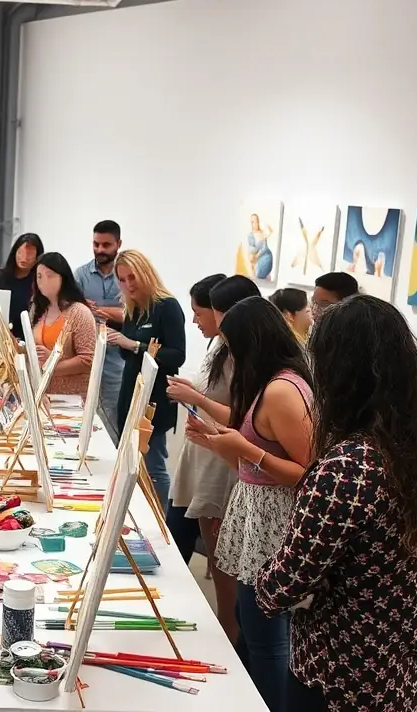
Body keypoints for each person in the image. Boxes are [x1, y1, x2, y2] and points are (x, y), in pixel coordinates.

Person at [257, 296, 417, 712]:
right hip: (405, 673)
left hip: (342, 678)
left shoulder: (345, 469)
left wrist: (269, 573)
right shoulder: (414, 449)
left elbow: (279, 588)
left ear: (339, 374)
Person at [185, 297, 313, 712]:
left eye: (234, 344)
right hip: (256, 520)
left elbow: (311, 474)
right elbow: (251, 460)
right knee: (255, 626)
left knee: (267, 637)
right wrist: (217, 443)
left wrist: (246, 450)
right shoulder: (265, 382)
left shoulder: (282, 389)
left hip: (273, 526)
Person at [165, 274, 260, 647]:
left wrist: (198, 399)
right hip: (204, 456)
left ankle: (231, 640)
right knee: (205, 544)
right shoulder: (220, 348)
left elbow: (240, 415)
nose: (196, 321)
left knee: (224, 561)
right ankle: (226, 634)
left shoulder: (244, 356)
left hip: (223, 464)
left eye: (201, 313)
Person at [106, 249, 186, 508]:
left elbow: (177, 355)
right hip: (130, 392)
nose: (129, 284)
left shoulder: (167, 307)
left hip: (156, 399)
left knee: (153, 465)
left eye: (132, 277)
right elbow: (127, 352)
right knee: (129, 461)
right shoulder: (131, 309)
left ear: (145, 273)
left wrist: (137, 345)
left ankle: (163, 521)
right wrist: (124, 344)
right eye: (122, 279)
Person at [75, 220, 125, 444]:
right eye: (96, 244)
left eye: (106, 245)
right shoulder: (80, 276)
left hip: (118, 361)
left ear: (118, 244)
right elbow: (74, 312)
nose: (100, 250)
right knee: (84, 416)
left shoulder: (126, 276)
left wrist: (98, 310)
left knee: (113, 418)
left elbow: (132, 314)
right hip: (86, 358)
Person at [29, 253, 97, 397]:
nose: (43, 281)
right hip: (42, 394)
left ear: (63, 278)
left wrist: (52, 363)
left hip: (70, 398)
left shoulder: (79, 312)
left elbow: (87, 360)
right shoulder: (37, 308)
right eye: (39, 276)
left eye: (50, 276)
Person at [0, 233, 44, 340]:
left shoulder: (39, 282)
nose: (24, 258)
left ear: (37, 257)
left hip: (27, 339)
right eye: (20, 252)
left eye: (29, 254)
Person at [245, 213, 275, 280]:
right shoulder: (251, 235)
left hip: (265, 256)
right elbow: (252, 248)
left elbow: (264, 247)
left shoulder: (262, 233)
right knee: (251, 258)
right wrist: (253, 256)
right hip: (256, 256)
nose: (255, 224)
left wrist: (257, 255)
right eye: (252, 222)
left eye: (256, 221)